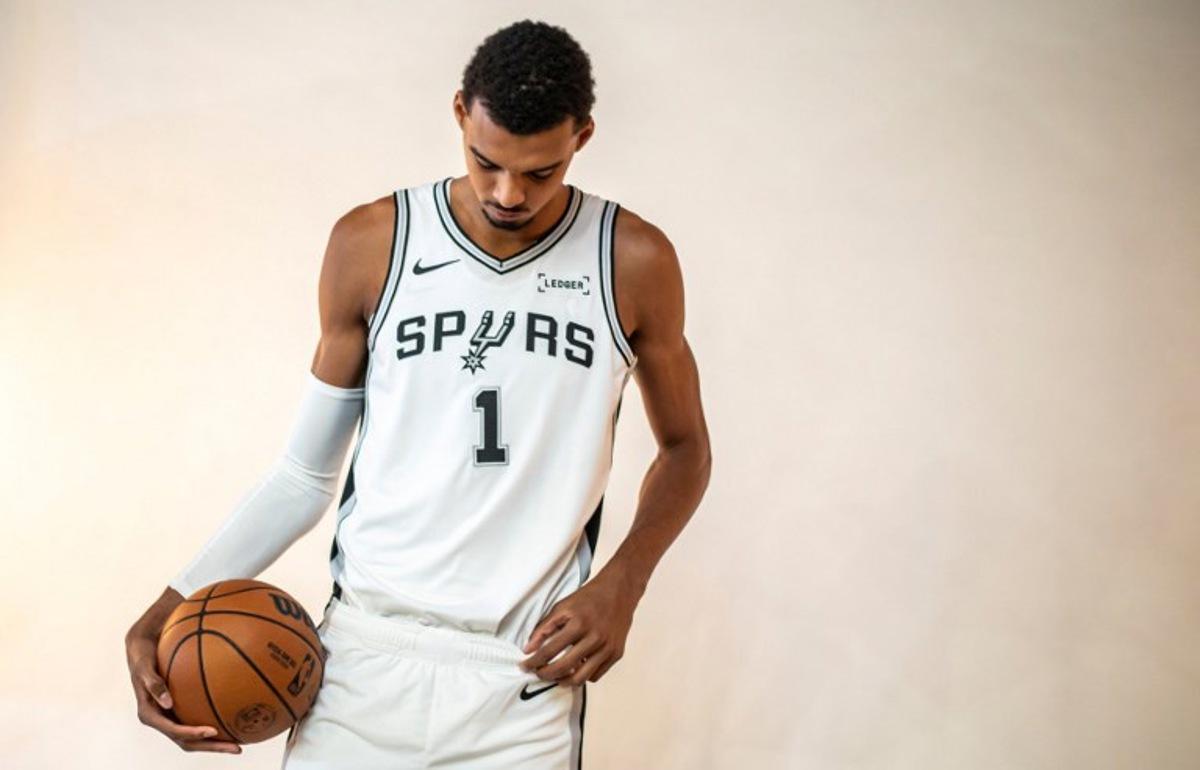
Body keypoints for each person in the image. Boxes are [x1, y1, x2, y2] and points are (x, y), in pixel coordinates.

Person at [124, 19, 711, 768]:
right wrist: (169, 606)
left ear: (582, 137)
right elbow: (304, 476)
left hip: (521, 676)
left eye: (542, 172)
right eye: (487, 162)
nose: (509, 194)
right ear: (461, 112)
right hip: (362, 660)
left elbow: (686, 449)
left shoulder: (631, 258)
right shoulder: (374, 243)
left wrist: (622, 584)